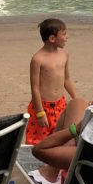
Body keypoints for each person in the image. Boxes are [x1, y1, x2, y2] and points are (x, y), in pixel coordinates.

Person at [27, 18, 78, 146]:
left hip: (60, 105)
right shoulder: (38, 59)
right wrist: (40, 112)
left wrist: (76, 98)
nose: (67, 37)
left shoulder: (64, 54)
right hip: (42, 107)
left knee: (58, 139)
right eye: (64, 34)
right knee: (39, 142)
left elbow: (66, 79)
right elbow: (35, 88)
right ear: (52, 39)